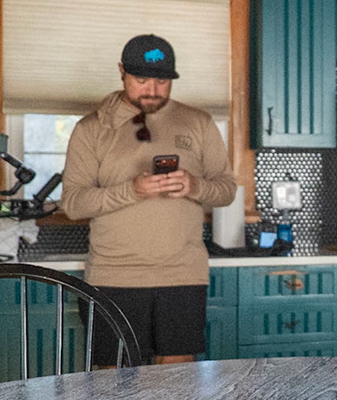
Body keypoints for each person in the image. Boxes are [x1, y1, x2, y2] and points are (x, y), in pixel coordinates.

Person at [61, 34, 239, 365]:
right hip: (113, 276)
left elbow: (227, 189)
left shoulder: (199, 123)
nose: (152, 90)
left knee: (177, 385)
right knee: (114, 383)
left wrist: (194, 186)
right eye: (141, 80)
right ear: (122, 72)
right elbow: (72, 203)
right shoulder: (92, 128)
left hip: (182, 275)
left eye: (162, 81)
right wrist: (132, 190)